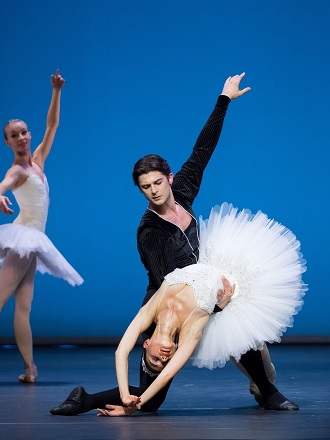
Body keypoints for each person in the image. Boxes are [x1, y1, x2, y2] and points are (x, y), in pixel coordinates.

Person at [50, 73, 295, 416]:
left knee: (240, 323)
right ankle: (85, 399)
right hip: (169, 300)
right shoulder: (149, 231)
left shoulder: (182, 192)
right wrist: (214, 302)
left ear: (170, 179)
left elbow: (203, 149)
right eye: (145, 187)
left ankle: (267, 391)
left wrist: (223, 100)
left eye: (156, 182)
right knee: (153, 399)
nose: (153, 190)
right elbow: (172, 281)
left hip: (203, 281)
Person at [0, 70, 83, 383]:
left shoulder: (37, 161)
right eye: (14, 135)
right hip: (25, 237)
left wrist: (56, 91)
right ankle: (29, 367)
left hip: (32, 238)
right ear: (7, 142)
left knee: (24, 306)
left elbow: (52, 125)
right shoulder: (18, 170)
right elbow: (5, 183)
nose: (22, 136)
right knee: (2, 298)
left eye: (24, 132)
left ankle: (29, 368)